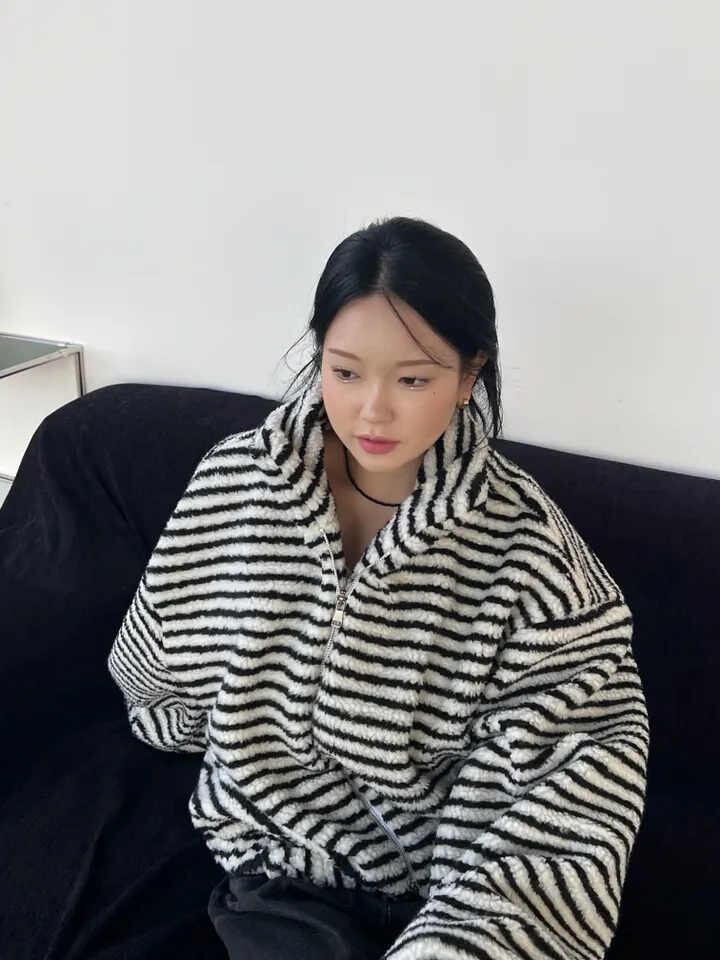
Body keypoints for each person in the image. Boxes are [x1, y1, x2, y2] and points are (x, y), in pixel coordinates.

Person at [107, 216, 650, 960]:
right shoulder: (235, 483)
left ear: (469, 375)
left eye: (413, 379)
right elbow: (158, 669)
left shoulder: (532, 556)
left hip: (443, 885)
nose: (372, 409)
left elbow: (568, 791)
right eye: (346, 371)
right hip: (278, 873)